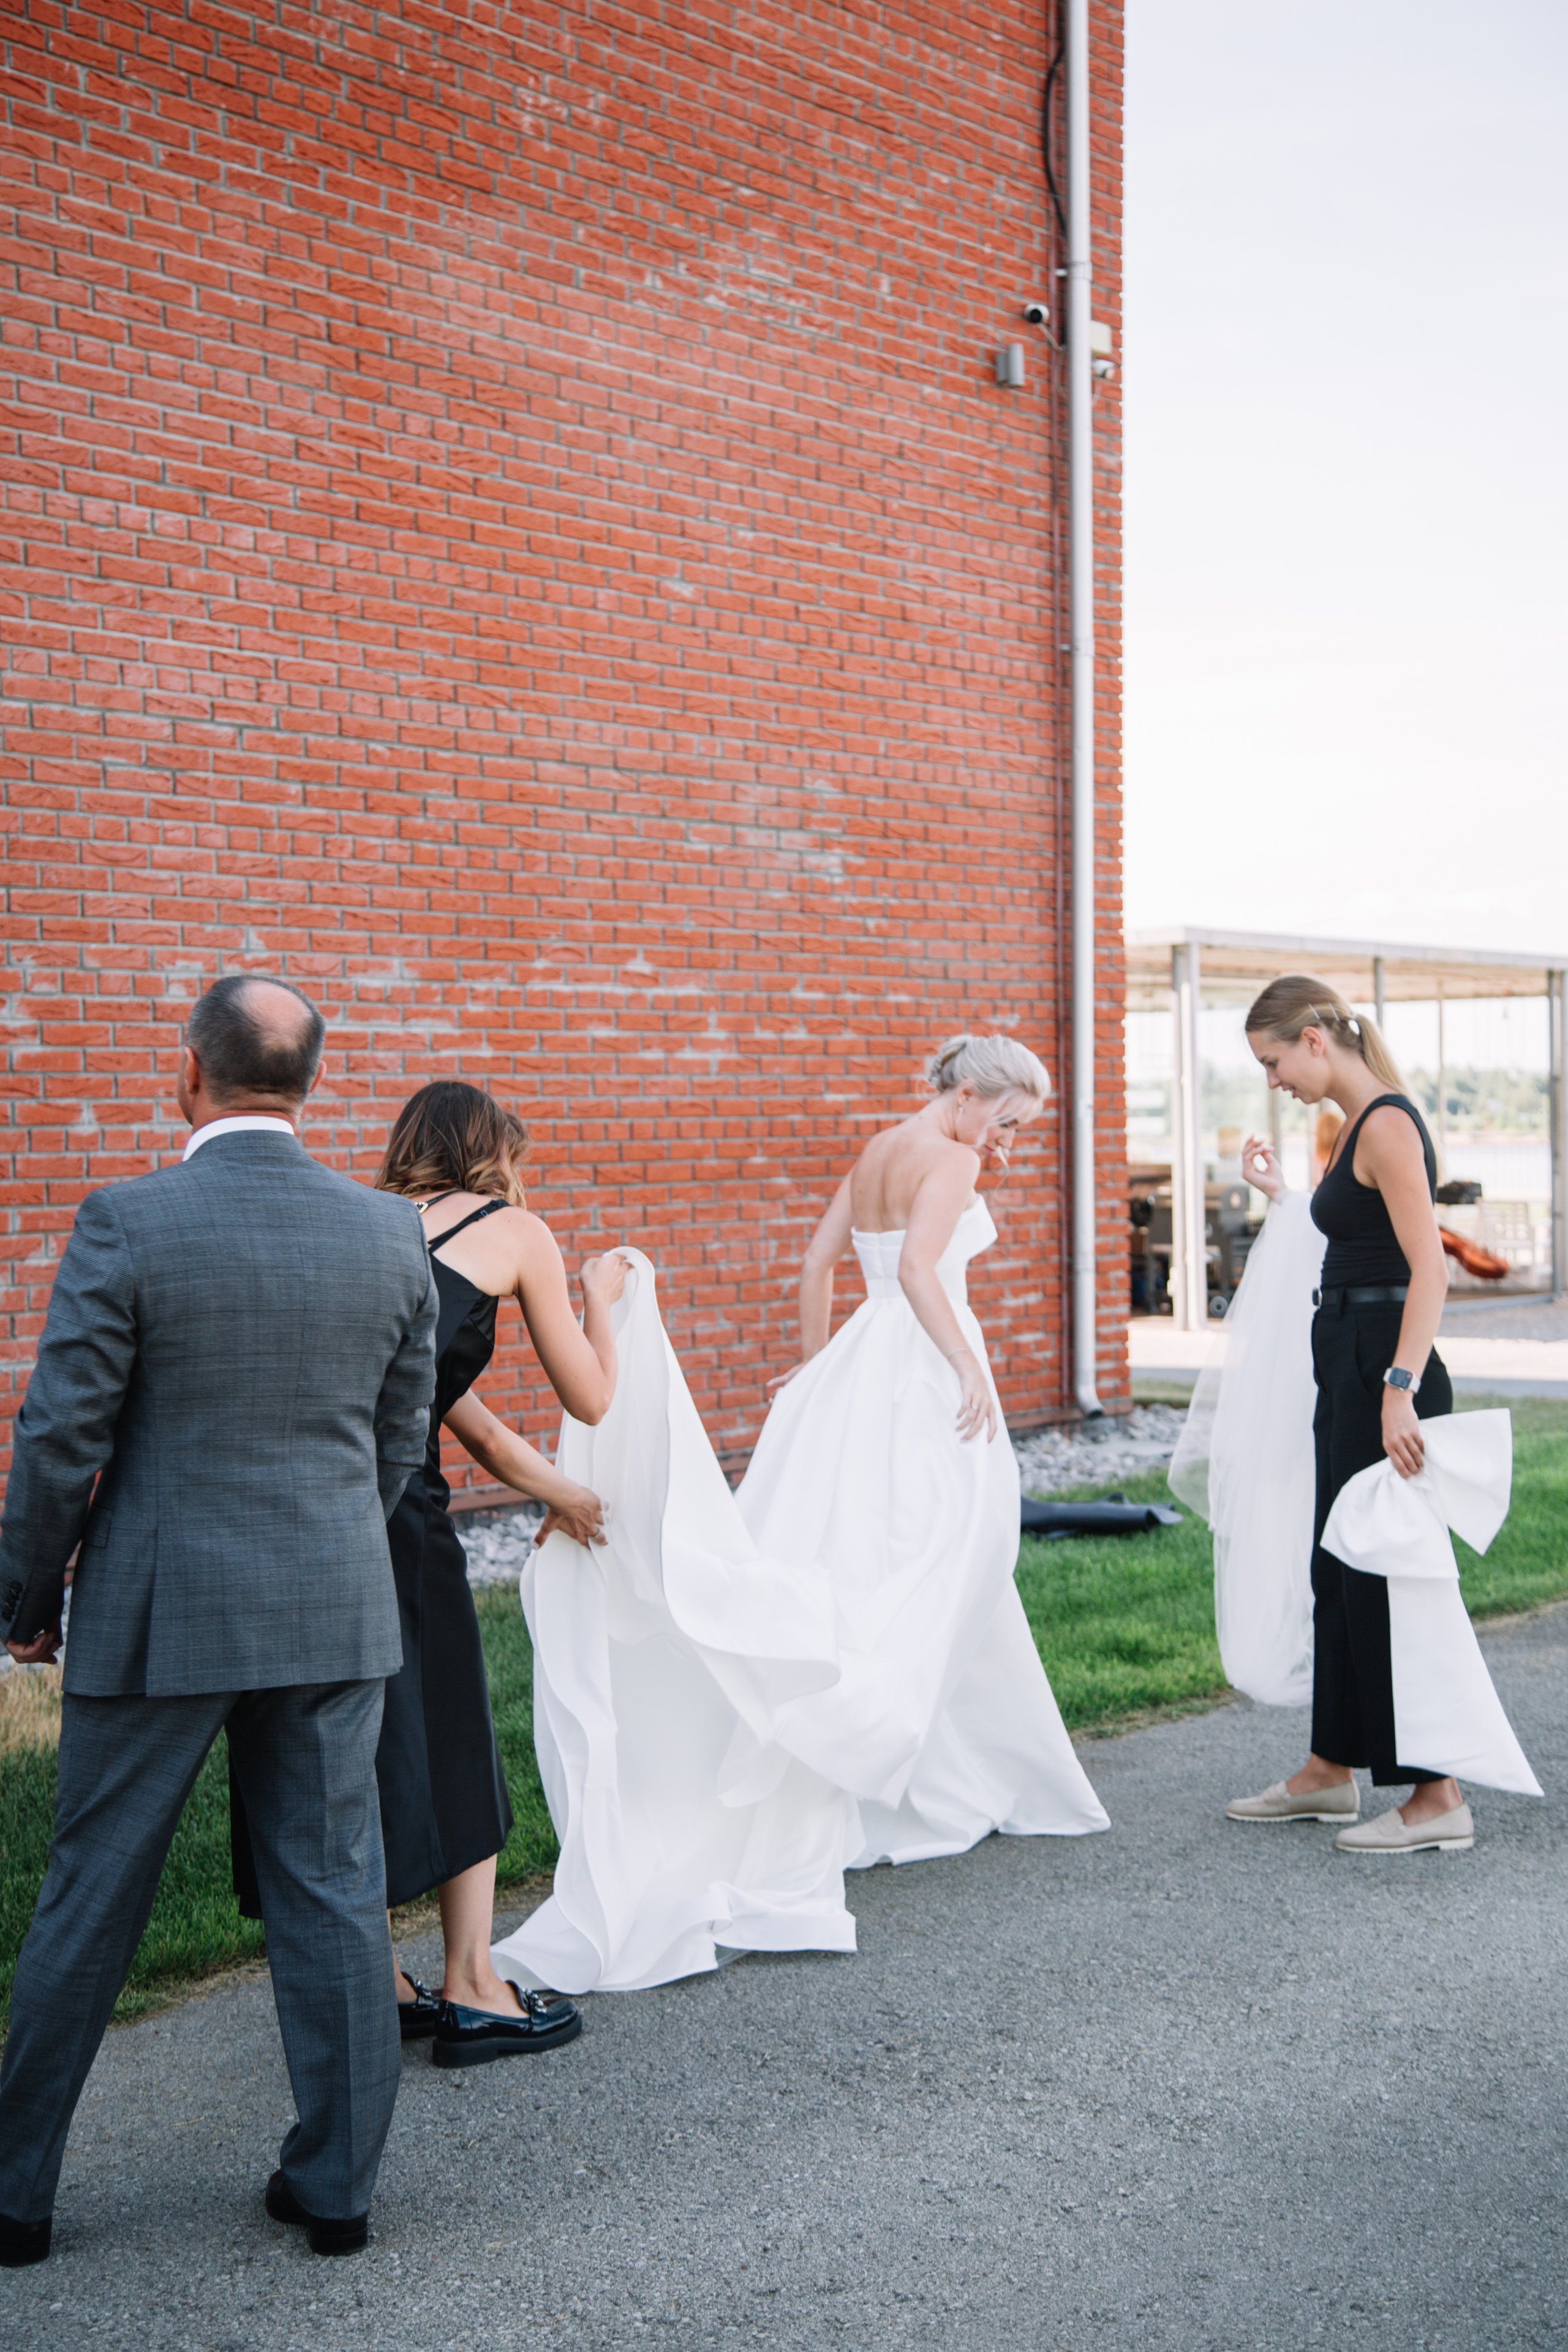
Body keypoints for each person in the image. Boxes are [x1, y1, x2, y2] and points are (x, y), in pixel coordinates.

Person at [0, 976, 437, 2267]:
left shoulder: (129, 1219)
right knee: (336, 1892)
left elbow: (59, 1437)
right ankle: (338, 2192)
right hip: (331, 1610)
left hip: (160, 1613)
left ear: (187, 1072)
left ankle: (15, 2198)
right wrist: (332, 1552)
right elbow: (399, 1439)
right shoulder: (389, 1233)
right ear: (309, 1084)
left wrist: (29, 1596)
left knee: (93, 1892)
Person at [232, 1079, 628, 2064]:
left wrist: (561, 1495)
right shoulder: (511, 1230)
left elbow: (464, 1419)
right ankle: (475, 1986)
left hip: (306, 1511)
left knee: (343, 1736)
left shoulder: (361, 1228)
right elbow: (591, 1398)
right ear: (494, 1156)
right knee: (450, 1729)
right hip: (402, 1518)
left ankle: (376, 1978)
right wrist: (598, 1299)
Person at [734, 1034, 1109, 1866]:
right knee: (956, 1547)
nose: (1006, 1141)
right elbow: (916, 1270)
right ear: (966, 1095)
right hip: (923, 1364)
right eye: (1005, 1122)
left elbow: (818, 1261)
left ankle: (916, 1746)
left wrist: (815, 1363)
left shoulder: (881, 1148)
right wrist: (967, 1364)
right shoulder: (952, 1158)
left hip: (861, 1357)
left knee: (867, 1543)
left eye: (1019, 1130)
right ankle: (886, 1729)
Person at [1224, 977, 1478, 1852]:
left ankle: (1437, 1795)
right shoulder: (1354, 1127)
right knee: (1336, 1568)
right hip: (1348, 1356)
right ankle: (1329, 1770)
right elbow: (1353, 1242)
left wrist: (1399, 1387)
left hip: (1383, 1365)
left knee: (1383, 1577)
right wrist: (1281, 1196)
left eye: (1273, 1062)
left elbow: (1428, 1269)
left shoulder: (1388, 1125)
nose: (1273, 1081)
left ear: (1313, 1040)